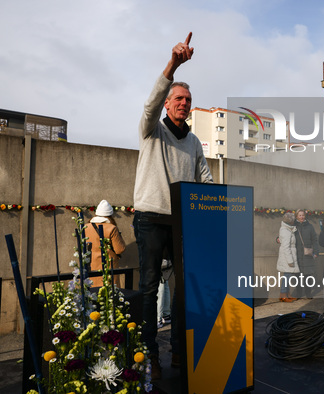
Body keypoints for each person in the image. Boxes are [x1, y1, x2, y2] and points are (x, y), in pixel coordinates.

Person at [132, 32, 213, 380]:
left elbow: (206, 181)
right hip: (150, 218)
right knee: (150, 289)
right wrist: (173, 66)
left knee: (183, 290)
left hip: (182, 223)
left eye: (188, 99)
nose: (183, 103)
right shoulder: (151, 130)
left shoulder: (194, 142)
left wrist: (224, 204)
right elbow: (149, 104)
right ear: (168, 103)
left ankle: (180, 350)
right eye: (178, 98)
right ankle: (150, 354)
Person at [84, 200, 127, 288]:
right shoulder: (112, 228)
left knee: (93, 293)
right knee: (109, 294)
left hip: (91, 265)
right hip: (108, 265)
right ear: (110, 215)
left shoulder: (86, 227)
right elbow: (119, 249)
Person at [294, 209, 319, 299]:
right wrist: (278, 239)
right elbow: (285, 235)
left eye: (303, 215)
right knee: (298, 276)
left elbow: (314, 240)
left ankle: (308, 293)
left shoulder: (310, 226)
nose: (302, 217)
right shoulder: (293, 226)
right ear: (296, 216)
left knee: (307, 275)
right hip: (296, 254)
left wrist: (316, 251)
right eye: (300, 215)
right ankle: (299, 294)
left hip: (307, 255)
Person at [277, 212, 299, 302]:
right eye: (293, 220)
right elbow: (286, 247)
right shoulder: (285, 231)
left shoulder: (288, 229)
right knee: (286, 276)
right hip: (287, 257)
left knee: (288, 275)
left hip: (289, 256)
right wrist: (290, 260)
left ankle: (287, 294)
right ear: (290, 221)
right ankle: (283, 295)